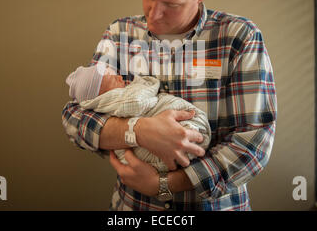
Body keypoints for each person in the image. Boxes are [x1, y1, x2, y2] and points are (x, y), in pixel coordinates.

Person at [62, 0, 277, 211]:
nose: (154, 13)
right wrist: (137, 130)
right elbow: (74, 118)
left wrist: (165, 184)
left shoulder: (239, 37)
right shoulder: (120, 34)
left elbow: (253, 143)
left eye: (171, 4)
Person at [63, 62, 211, 173]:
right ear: (98, 91)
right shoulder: (114, 99)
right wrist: (146, 86)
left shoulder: (113, 95)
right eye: (112, 77)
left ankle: (189, 135)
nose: (120, 76)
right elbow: (138, 103)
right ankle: (191, 132)